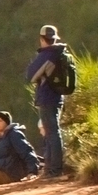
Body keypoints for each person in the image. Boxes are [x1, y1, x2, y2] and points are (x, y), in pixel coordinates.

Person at [24, 24, 75, 178]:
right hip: (59, 97)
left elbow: (30, 76)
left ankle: (54, 170)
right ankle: (51, 169)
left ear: (41, 38)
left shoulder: (46, 56)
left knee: (52, 133)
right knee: (54, 132)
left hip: (47, 98)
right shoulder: (62, 54)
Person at [0, 110, 41, 180]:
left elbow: (27, 152)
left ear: (7, 122)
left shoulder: (14, 134)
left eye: (0, 121)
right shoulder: (3, 137)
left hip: (10, 173)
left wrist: (32, 172)